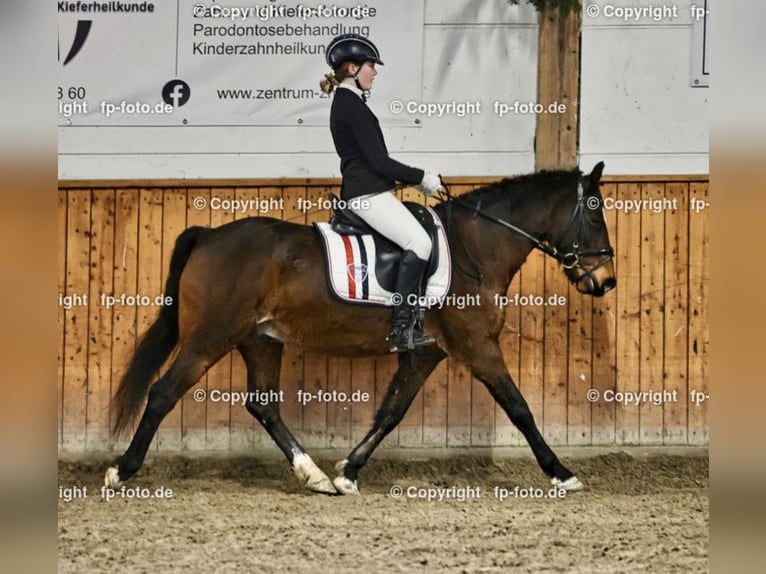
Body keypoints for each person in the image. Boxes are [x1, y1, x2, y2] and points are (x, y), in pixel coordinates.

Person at [320, 33, 443, 353]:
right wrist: (422, 178)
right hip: (366, 196)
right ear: (351, 68)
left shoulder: (348, 103)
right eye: (370, 66)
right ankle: (402, 329)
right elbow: (378, 161)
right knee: (420, 242)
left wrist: (409, 181)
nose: (374, 72)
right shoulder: (351, 106)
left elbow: (373, 162)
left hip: (368, 191)